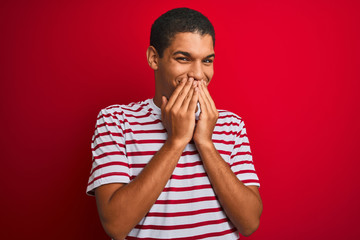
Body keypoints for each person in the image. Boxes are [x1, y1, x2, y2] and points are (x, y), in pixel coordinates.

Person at [87, 7, 262, 240]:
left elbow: (249, 223)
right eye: (183, 58)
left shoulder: (231, 124)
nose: (198, 74)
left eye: (207, 60)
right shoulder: (115, 121)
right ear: (154, 58)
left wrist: (205, 143)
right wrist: (176, 141)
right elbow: (116, 226)